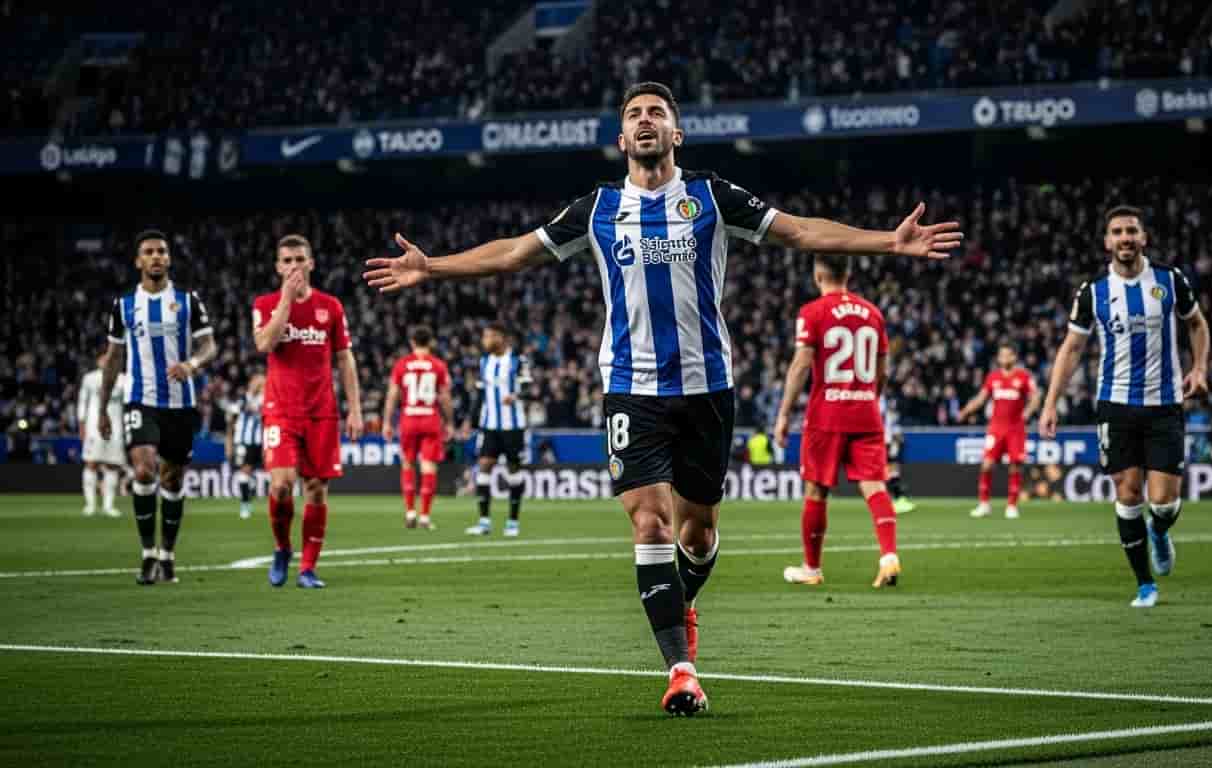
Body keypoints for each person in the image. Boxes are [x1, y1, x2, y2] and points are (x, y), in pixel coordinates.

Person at [363, 81, 962, 715]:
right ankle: (681, 669)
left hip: (707, 389)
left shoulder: (710, 195)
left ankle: (685, 599)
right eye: (633, 116)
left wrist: (888, 242)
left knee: (697, 533)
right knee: (649, 519)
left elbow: (799, 231)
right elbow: (514, 253)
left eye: (657, 114)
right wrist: (434, 267)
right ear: (621, 140)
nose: (645, 121)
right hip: (631, 389)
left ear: (677, 134)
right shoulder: (595, 209)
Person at [1038, 206, 1210, 608]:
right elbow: (1073, 348)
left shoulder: (1170, 280)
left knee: (1164, 502)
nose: (1125, 237)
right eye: (1117, 232)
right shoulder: (1093, 291)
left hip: (1165, 403)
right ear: (1107, 241)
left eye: (1131, 230)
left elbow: (1197, 323)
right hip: (1115, 406)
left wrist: (1199, 367)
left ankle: (1160, 531)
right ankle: (1145, 584)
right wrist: (1050, 403)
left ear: (1143, 237)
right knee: (1128, 493)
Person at [772, 253, 901, 588]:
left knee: (817, 489)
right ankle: (888, 556)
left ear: (818, 275)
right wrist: (872, 397)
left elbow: (801, 366)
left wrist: (784, 413)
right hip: (866, 412)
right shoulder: (873, 313)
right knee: (875, 486)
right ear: (849, 274)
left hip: (826, 414)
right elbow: (883, 371)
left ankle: (812, 569)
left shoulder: (813, 312)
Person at [98, 230, 218, 585]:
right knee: (145, 468)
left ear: (168, 259)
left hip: (181, 403)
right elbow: (113, 358)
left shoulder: (188, 300)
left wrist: (192, 365)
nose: (155, 257)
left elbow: (209, 346)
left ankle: (168, 554)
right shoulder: (123, 306)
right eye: (148, 252)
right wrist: (103, 408)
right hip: (140, 399)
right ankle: (148, 553)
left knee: (173, 478)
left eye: (161, 252)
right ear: (138, 261)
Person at [253, 234, 364, 589]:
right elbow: (264, 344)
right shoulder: (266, 302)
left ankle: (307, 568)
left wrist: (356, 409)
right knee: (283, 485)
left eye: (299, 259)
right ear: (277, 267)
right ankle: (282, 547)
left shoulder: (330, 306)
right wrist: (286, 300)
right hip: (280, 410)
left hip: (322, 411)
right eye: (286, 261)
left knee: (315, 488)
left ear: (311, 263)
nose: (293, 266)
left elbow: (345, 359)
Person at [957, 343, 1041, 520]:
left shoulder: (1024, 377)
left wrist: (1027, 413)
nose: (1004, 358)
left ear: (1014, 357)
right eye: (1001, 355)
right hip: (995, 428)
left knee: (1014, 466)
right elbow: (981, 398)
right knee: (986, 464)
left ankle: (1011, 505)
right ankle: (984, 504)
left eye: (1007, 355)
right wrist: (966, 410)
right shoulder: (993, 377)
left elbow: (1035, 397)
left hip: (1016, 429)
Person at [382, 325, 453, 531]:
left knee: (408, 464)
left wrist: (387, 422)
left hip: (409, 418)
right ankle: (424, 516)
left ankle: (410, 512)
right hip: (430, 418)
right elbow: (445, 397)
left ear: (412, 342)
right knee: (428, 467)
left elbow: (392, 396)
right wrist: (449, 422)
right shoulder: (438, 365)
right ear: (430, 342)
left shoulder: (402, 365)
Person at [467, 322, 532, 537]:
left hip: (513, 426)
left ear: (501, 338)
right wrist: (471, 421)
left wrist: (515, 396)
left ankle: (513, 522)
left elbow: (528, 388)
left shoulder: (517, 360)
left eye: (489, 336)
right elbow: (480, 394)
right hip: (490, 425)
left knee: (514, 470)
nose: (485, 341)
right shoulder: (484, 361)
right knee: (484, 465)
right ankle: (484, 521)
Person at [78, 349, 128, 518]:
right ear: (99, 361)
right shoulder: (90, 379)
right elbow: (82, 402)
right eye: (104, 358)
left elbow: (128, 405)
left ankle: (108, 506)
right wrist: (82, 425)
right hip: (93, 426)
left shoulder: (123, 380)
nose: (107, 361)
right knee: (91, 463)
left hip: (116, 429)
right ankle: (90, 505)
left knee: (112, 465)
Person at [224, 373, 265, 519]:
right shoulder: (242, 400)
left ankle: (251, 486)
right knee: (244, 470)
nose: (259, 384)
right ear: (251, 383)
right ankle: (245, 504)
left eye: (261, 382)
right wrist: (228, 442)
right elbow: (230, 421)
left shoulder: (265, 400)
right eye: (257, 381)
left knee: (253, 472)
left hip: (260, 441)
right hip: (242, 441)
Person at [879, 396, 916, 514]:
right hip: (883, 439)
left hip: (885, 439)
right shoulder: (878, 398)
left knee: (891, 468)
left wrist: (895, 433)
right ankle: (896, 499)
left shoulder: (881, 399)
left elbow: (889, 419)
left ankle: (899, 499)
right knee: (888, 469)